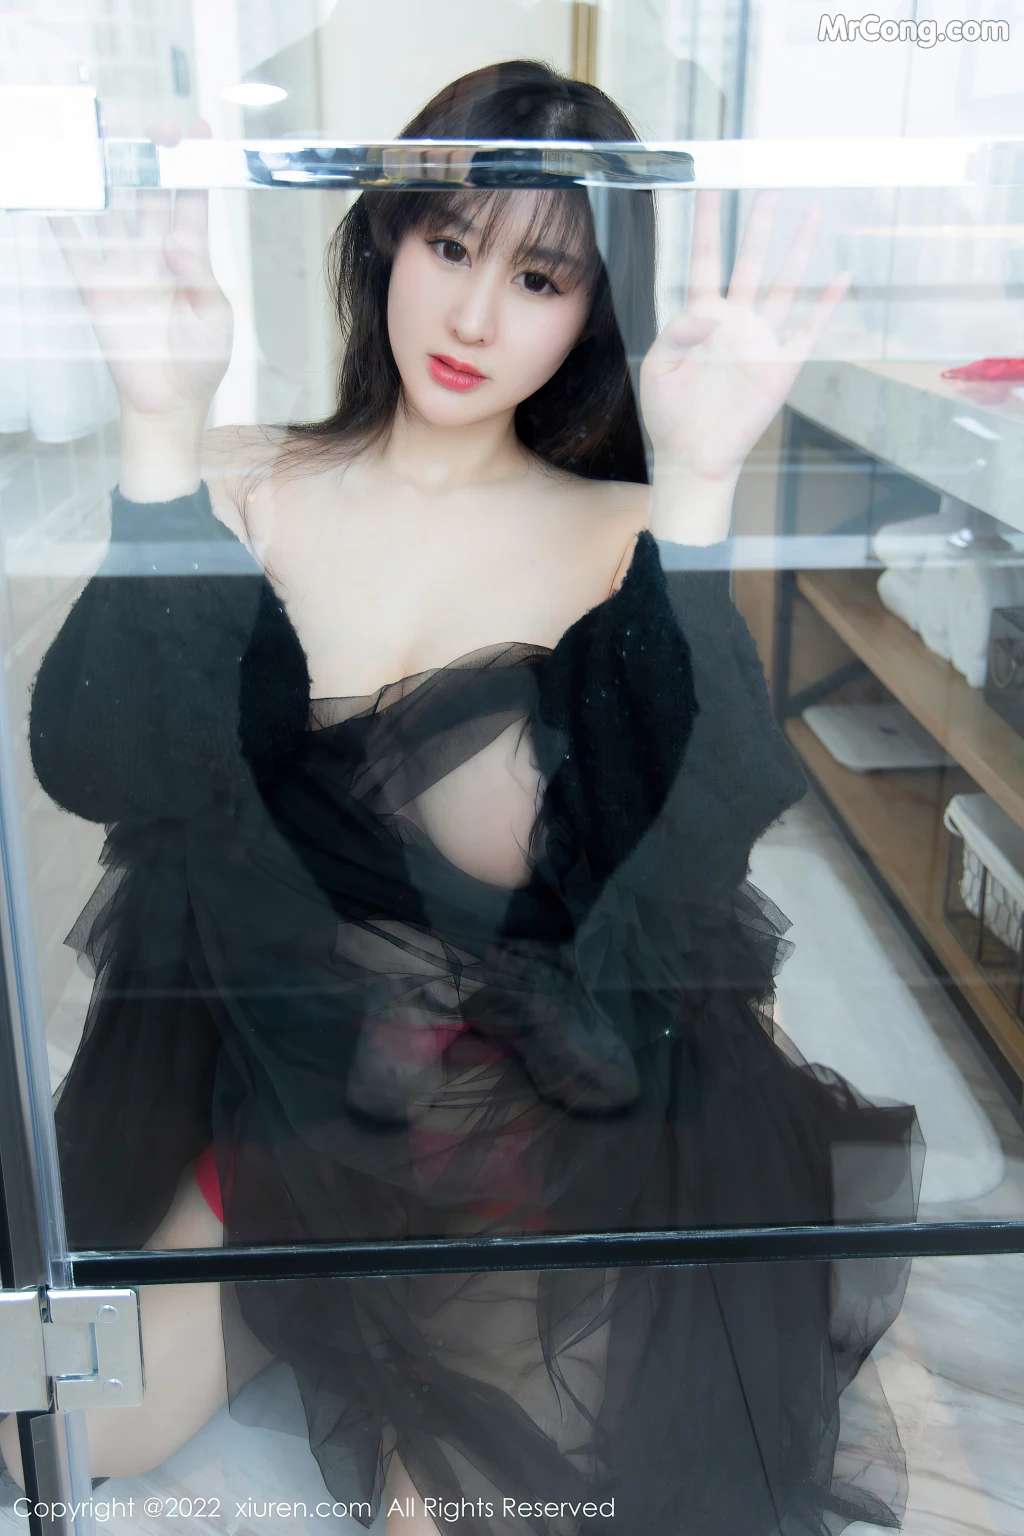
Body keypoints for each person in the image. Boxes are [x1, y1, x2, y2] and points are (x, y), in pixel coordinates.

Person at [3, 59, 924, 1536]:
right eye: (450, 245)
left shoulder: (624, 532)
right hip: (295, 1124)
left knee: (458, 1506)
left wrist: (697, 488)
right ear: (386, 236)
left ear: (593, 311)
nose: (477, 318)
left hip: (548, 1151)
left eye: (540, 278)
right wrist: (158, 430)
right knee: (51, 1433)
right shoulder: (246, 484)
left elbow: (689, 864)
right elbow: (94, 764)